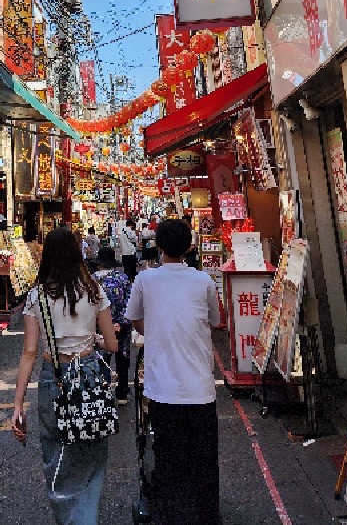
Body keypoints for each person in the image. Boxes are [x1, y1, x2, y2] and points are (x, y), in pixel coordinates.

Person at [11, 227, 118, 525]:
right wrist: (94, 339)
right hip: (90, 374)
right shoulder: (94, 290)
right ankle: (86, 517)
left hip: (54, 377)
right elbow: (112, 345)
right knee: (92, 450)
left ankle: (69, 517)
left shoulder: (37, 296)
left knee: (56, 454)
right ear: (76, 253)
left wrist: (17, 404)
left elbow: (29, 352)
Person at [125, 219, 222, 525]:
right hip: (200, 388)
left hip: (162, 388)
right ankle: (207, 515)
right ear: (190, 247)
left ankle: (169, 513)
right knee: (204, 457)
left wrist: (156, 330)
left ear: (158, 246)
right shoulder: (204, 281)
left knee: (167, 456)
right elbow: (215, 320)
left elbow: (133, 318)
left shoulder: (145, 280)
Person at [93, 246, 132, 404]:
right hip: (121, 327)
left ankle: (102, 395)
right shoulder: (123, 278)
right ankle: (122, 393)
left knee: (102, 360)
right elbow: (129, 304)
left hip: (99, 328)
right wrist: (119, 323)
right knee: (122, 359)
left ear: (99, 264)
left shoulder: (91, 280)